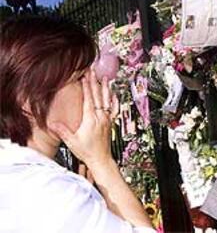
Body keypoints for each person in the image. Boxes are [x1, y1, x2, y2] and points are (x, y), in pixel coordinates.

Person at [0, 16, 156, 233]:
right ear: (28, 99)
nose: (97, 88)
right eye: (80, 79)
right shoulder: (48, 194)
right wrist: (102, 162)